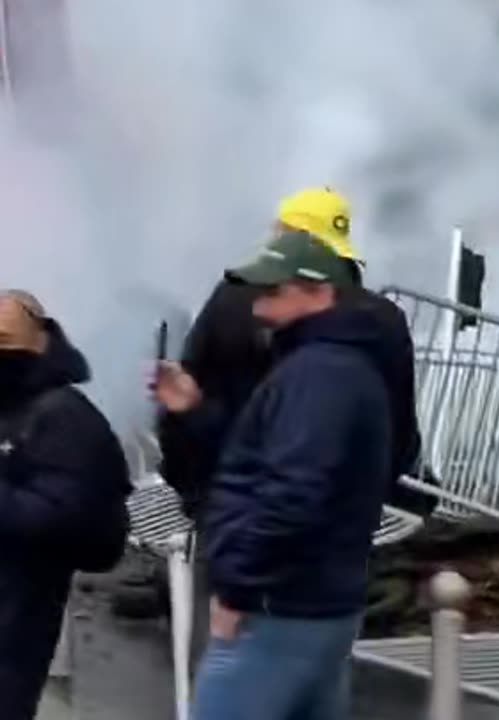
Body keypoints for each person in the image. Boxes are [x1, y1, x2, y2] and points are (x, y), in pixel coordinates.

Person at [150, 186, 427, 669]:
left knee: (232, 660)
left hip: (241, 513)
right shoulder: (383, 324)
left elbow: (195, 394)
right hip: (337, 531)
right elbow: (399, 428)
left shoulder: (240, 304)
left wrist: (192, 476)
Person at [0, 290, 131, 720]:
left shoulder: (66, 420)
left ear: (39, 340)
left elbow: (54, 519)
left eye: (2, 340)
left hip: (8, 629)